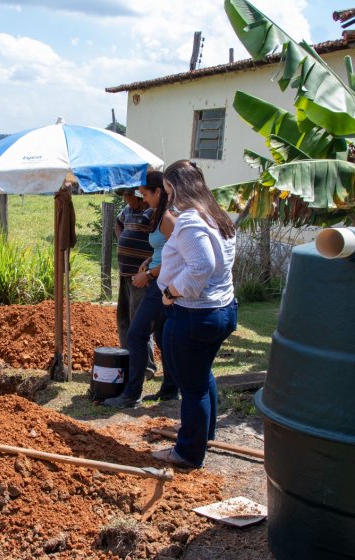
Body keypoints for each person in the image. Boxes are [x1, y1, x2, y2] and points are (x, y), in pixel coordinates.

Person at [152, 160, 237, 469]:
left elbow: (202, 266)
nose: (167, 196)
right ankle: (204, 433)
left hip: (194, 314)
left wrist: (171, 292)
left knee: (192, 386)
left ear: (175, 187)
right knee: (202, 374)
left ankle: (187, 452)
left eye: (167, 189)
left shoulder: (189, 221)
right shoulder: (218, 216)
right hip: (222, 309)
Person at [103, 171, 178, 408]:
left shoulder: (168, 218)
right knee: (162, 336)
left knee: (136, 334)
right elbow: (163, 251)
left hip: (161, 283)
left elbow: (180, 256)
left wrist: (150, 273)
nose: (143, 198)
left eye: (146, 194)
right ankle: (169, 389)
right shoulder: (158, 214)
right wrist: (149, 262)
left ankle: (131, 395)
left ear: (158, 192)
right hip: (156, 277)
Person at [114, 187, 155, 379]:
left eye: (129, 198)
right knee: (123, 319)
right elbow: (118, 222)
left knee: (139, 323)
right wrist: (122, 237)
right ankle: (129, 361)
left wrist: (148, 268)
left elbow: (161, 243)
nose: (126, 201)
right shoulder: (128, 211)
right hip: (124, 273)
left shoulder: (152, 213)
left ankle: (145, 367)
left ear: (140, 198)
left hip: (141, 277)